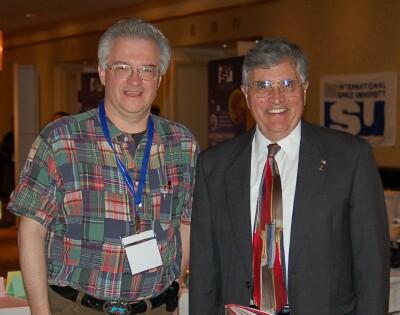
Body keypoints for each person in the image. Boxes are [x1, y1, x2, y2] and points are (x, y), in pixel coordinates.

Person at [8, 18, 199, 315]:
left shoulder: (182, 144)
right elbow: (30, 232)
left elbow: (186, 222)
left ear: (160, 77)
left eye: (146, 69)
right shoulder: (60, 140)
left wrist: (172, 287)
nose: (135, 80)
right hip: (76, 308)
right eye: (122, 67)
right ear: (102, 72)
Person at [189, 37, 390, 315]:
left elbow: (372, 266)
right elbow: (203, 272)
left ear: (304, 90)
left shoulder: (350, 158)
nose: (276, 99)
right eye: (263, 86)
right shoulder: (214, 166)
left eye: (287, 85)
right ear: (246, 94)